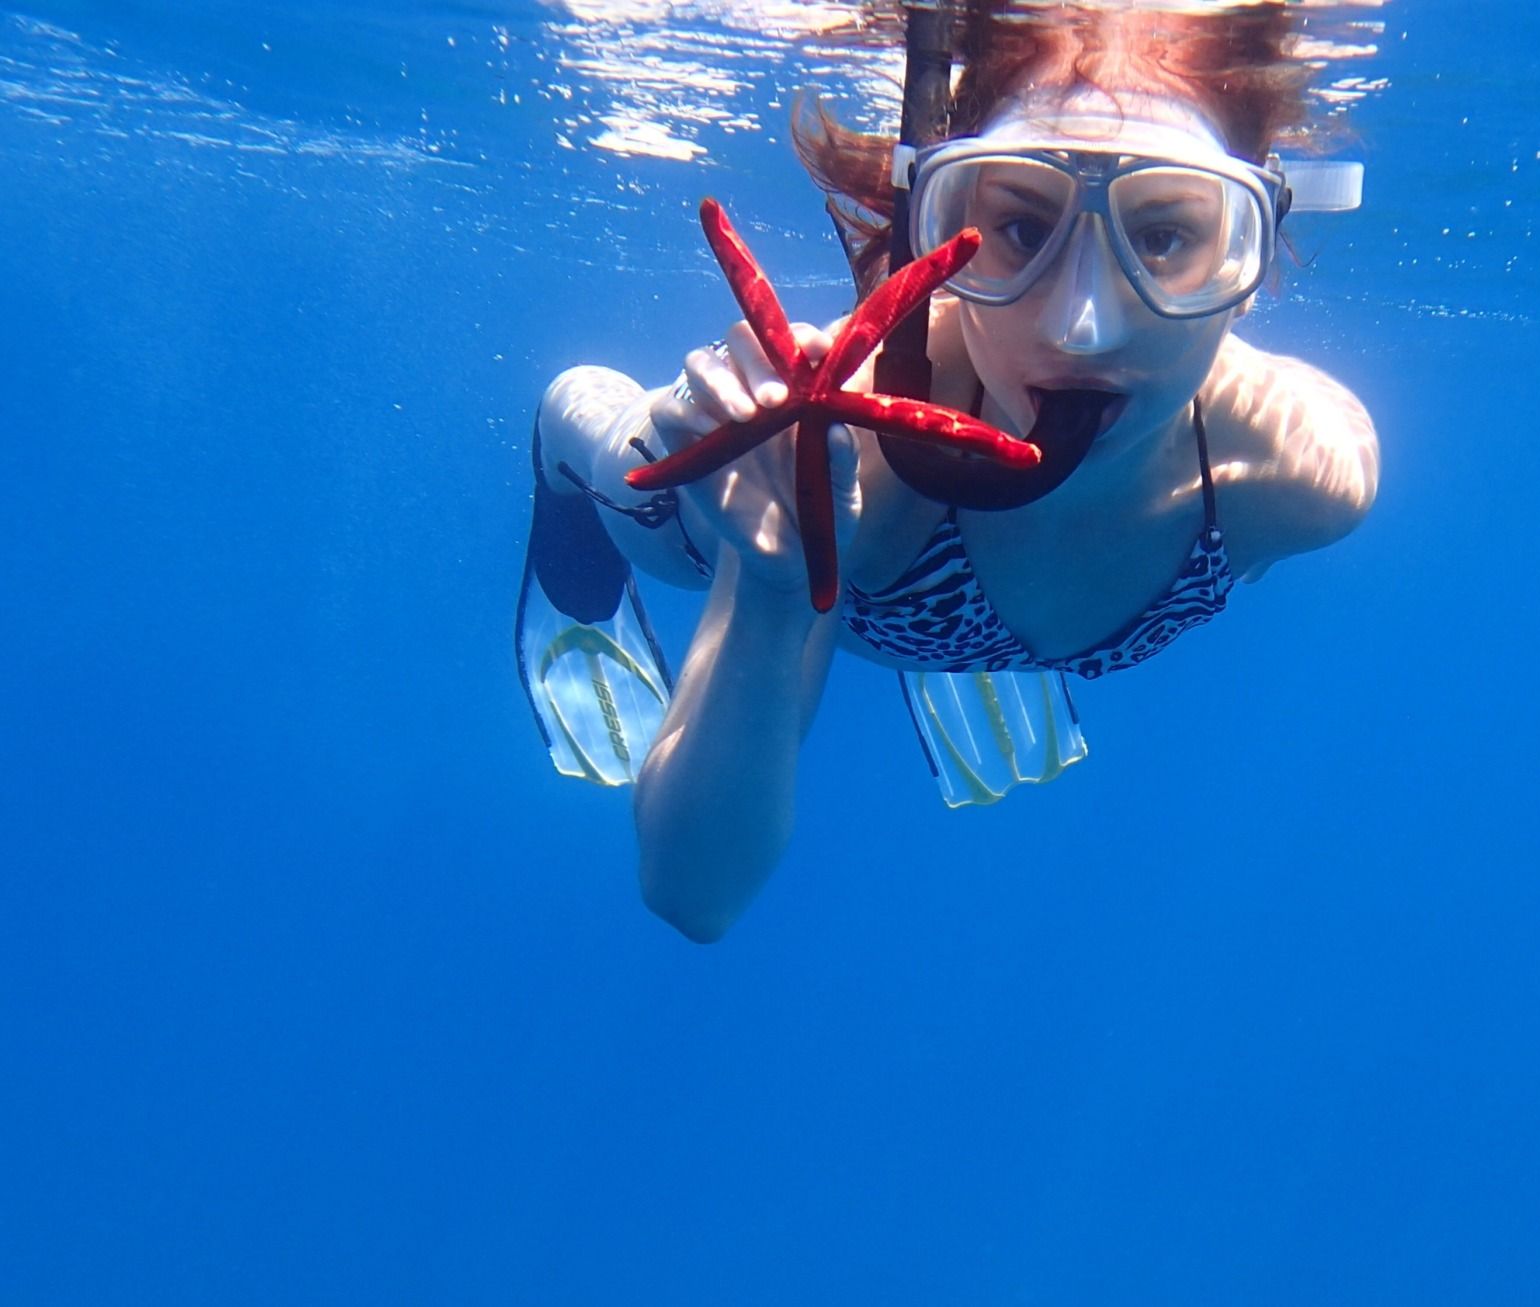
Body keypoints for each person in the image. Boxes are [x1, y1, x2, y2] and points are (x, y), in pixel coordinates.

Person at [519, 3, 1379, 942]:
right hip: (733, 524)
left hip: (909, 593)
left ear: (1249, 251)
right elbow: (693, 891)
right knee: (622, 463)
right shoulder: (854, 474)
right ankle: (564, 433)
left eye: (1164, 236)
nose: (1079, 328)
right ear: (943, 220)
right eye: (1020, 226)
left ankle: (969, 644)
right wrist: (771, 586)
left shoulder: (1298, 475)